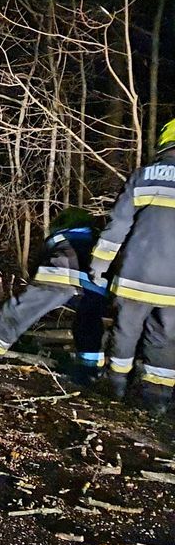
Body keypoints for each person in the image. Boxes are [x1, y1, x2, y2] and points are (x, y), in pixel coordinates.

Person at [88, 118, 175, 415]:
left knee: (126, 332)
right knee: (166, 337)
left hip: (136, 276)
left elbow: (119, 225)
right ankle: (157, 400)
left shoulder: (144, 176)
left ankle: (115, 389)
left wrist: (100, 263)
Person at [0, 207, 107, 382]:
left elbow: (37, 264)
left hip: (59, 275)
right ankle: (90, 370)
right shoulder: (96, 239)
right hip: (93, 285)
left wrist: (34, 281)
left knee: (24, 308)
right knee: (89, 323)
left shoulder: (58, 238)